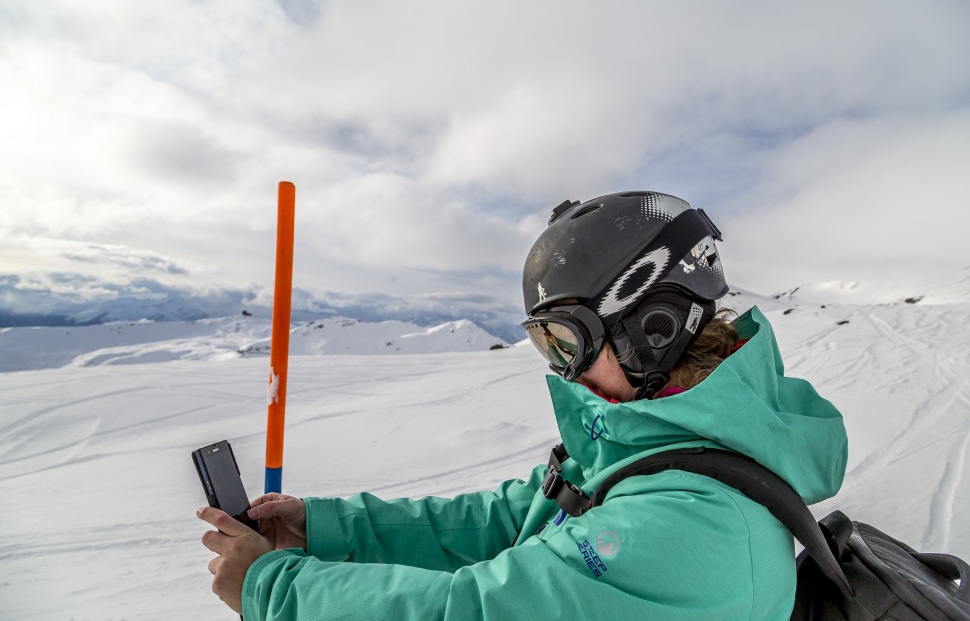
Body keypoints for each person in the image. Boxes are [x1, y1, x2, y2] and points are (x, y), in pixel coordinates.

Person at [198, 191, 848, 619]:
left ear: (653, 326)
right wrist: (327, 525)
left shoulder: (694, 523)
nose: (560, 368)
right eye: (544, 341)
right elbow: (513, 520)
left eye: (566, 339)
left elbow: (476, 609)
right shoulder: (653, 441)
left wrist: (275, 589)